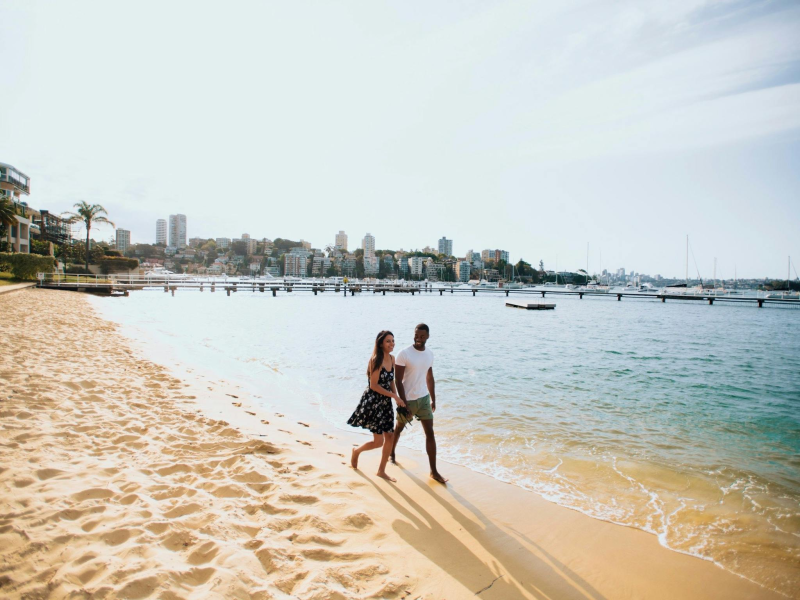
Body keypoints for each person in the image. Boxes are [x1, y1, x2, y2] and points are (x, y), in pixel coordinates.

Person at [391, 323, 448, 483]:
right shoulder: (404, 354)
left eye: (422, 336)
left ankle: (434, 471)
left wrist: (433, 398)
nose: (418, 339)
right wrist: (403, 403)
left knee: (430, 432)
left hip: (423, 399)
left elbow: (429, 377)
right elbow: (398, 380)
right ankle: (392, 452)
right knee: (399, 429)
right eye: (416, 335)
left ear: (427, 337)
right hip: (408, 399)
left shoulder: (429, 354)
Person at [347, 330, 406, 482]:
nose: (391, 344)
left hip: (386, 403)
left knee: (390, 436)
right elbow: (373, 385)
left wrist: (396, 397)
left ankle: (381, 471)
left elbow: (391, 381)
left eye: (393, 341)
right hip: (373, 402)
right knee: (378, 442)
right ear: (380, 343)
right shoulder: (376, 360)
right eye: (388, 341)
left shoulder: (392, 359)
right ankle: (357, 451)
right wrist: (393, 396)